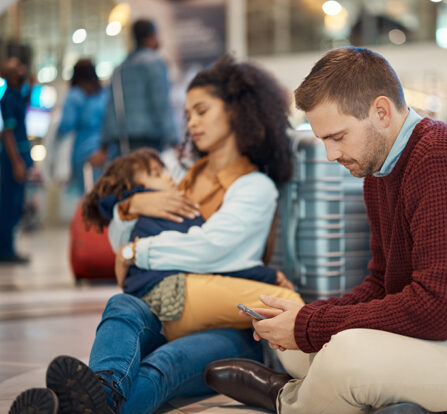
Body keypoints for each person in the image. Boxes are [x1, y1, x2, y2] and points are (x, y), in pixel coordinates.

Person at [204, 47, 447, 414]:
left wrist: (312, 323)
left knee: (343, 357)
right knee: (302, 350)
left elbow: (440, 310)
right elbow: (382, 284)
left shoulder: (445, 160)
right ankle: (322, 394)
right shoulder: (381, 171)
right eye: (323, 142)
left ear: (381, 112)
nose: (331, 155)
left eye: (338, 137)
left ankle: (289, 401)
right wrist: (307, 317)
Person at [9, 55, 298, 414]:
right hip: (165, 310)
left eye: (202, 111)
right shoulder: (177, 172)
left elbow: (211, 250)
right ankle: (104, 394)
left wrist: (137, 252)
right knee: (121, 306)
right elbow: (118, 243)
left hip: (229, 327)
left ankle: (78, 406)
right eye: (188, 114)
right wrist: (131, 208)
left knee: (164, 365)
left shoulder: (254, 186)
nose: (191, 122)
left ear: (237, 110)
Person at [80, 147, 298, 339]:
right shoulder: (172, 211)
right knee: (288, 303)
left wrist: (129, 217)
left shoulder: (146, 217)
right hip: (176, 295)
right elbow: (209, 258)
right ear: (134, 189)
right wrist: (268, 276)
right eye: (157, 174)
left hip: (160, 303)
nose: (168, 177)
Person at [97, 19, 178, 163]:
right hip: (151, 142)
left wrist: (104, 145)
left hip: (123, 143)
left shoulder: (120, 68)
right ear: (152, 36)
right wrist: (174, 139)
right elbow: (161, 104)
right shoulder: (155, 63)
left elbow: (110, 109)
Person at [56, 58, 109, 195]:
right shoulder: (104, 95)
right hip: (105, 152)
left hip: (83, 154)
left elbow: (66, 126)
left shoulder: (74, 96)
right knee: (104, 197)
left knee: (87, 201)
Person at [0, 57, 33, 263]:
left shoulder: (16, 95)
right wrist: (17, 163)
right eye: (17, 69)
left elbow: (28, 97)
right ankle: (5, 250)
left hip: (20, 157)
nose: (21, 70)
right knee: (9, 205)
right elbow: (8, 134)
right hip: (13, 160)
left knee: (16, 203)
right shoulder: (7, 99)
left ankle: (7, 248)